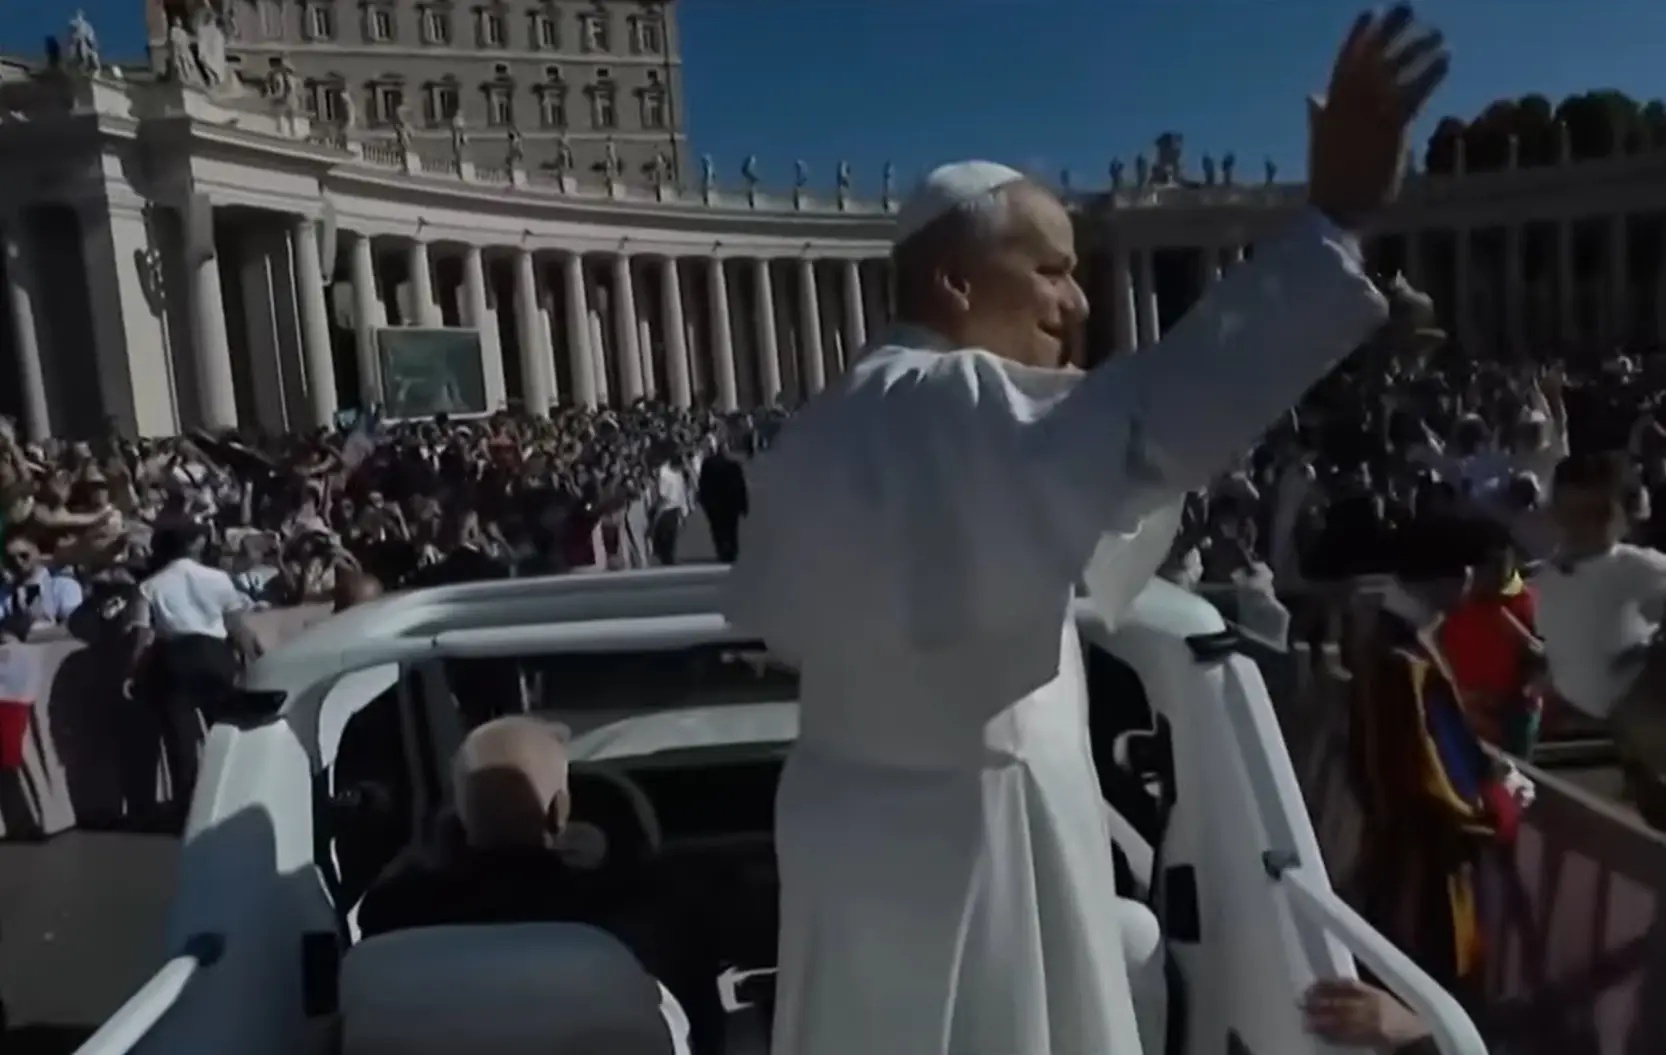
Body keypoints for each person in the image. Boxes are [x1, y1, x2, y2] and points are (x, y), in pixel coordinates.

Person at [722, 9, 1447, 1054]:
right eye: (1052, 268)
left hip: (869, 843)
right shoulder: (948, 400)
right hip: (978, 852)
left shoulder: (838, 424)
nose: (1078, 300)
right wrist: (1329, 218)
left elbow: (1064, 550)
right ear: (955, 282)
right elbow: (1152, 425)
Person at [356, 716, 721, 1051]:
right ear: (560, 809)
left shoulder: (390, 917)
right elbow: (700, 1036)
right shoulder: (642, 917)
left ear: (459, 815)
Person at [1534, 450, 1666, 827]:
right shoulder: (1542, 575)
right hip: (1603, 720)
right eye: (1568, 513)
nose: (1579, 526)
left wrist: (1653, 649)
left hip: (1638, 706)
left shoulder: (1635, 566)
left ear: (1624, 514)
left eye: (1594, 514)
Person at [125, 523, 265, 804]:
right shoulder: (218, 578)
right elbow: (236, 626)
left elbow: (143, 634)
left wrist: (132, 672)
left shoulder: (149, 585)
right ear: (197, 544)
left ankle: (187, 806)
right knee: (226, 729)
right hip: (215, 653)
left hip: (175, 657)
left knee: (181, 739)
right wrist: (254, 659)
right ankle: (235, 795)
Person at [696, 439, 748, 563]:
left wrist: (703, 501)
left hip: (714, 504)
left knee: (717, 528)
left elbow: (702, 484)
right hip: (731, 503)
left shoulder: (708, 464)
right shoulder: (734, 466)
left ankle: (721, 550)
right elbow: (741, 487)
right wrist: (744, 505)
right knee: (732, 528)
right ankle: (732, 550)